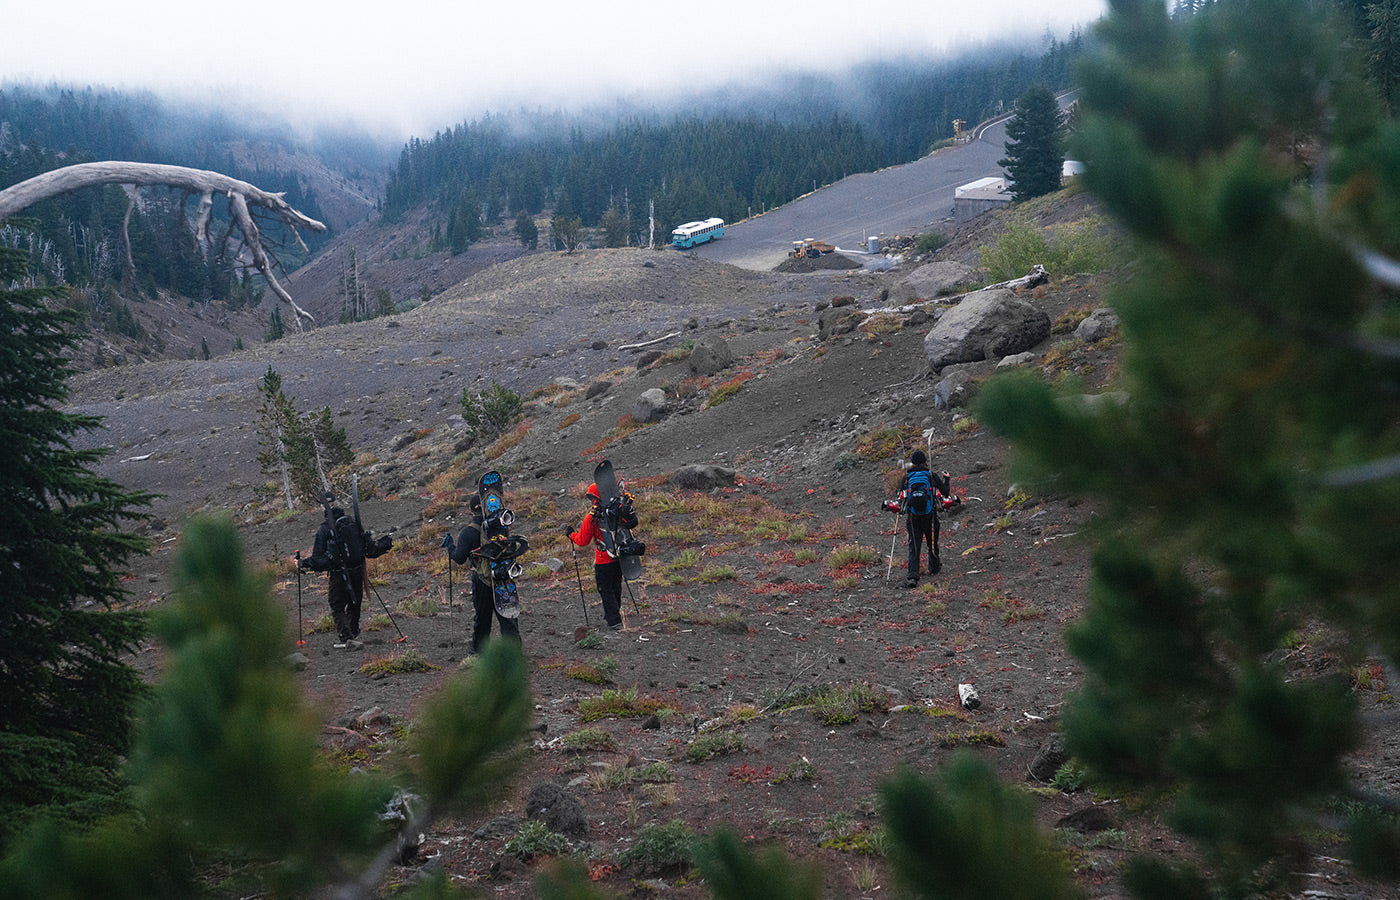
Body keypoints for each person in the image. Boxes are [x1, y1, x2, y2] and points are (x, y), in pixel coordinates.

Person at [300, 507, 392, 649]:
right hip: (358, 570)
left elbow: (319, 560)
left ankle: (347, 637)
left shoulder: (324, 530)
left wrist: (303, 563)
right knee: (354, 602)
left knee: (336, 604)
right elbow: (367, 547)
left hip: (338, 573)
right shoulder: (353, 522)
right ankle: (353, 632)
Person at [444, 496, 522, 653]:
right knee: (508, 615)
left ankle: (479, 651)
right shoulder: (501, 526)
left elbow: (459, 558)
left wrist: (450, 546)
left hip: (482, 580)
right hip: (504, 577)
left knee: (483, 617)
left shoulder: (469, 531)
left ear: (471, 510)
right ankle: (514, 652)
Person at [565, 482, 638, 631]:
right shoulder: (617, 512)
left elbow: (582, 541)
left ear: (594, 498)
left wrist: (570, 534)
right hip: (619, 556)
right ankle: (614, 614)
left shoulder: (592, 518)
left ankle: (614, 620)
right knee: (616, 586)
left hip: (603, 559)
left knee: (606, 589)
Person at [887, 450, 955, 588]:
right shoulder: (931, 476)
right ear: (925, 461)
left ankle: (913, 576)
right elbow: (945, 493)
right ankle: (934, 568)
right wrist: (947, 479)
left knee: (914, 546)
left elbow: (901, 497)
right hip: (930, 516)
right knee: (932, 543)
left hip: (913, 518)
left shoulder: (907, 478)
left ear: (912, 462)